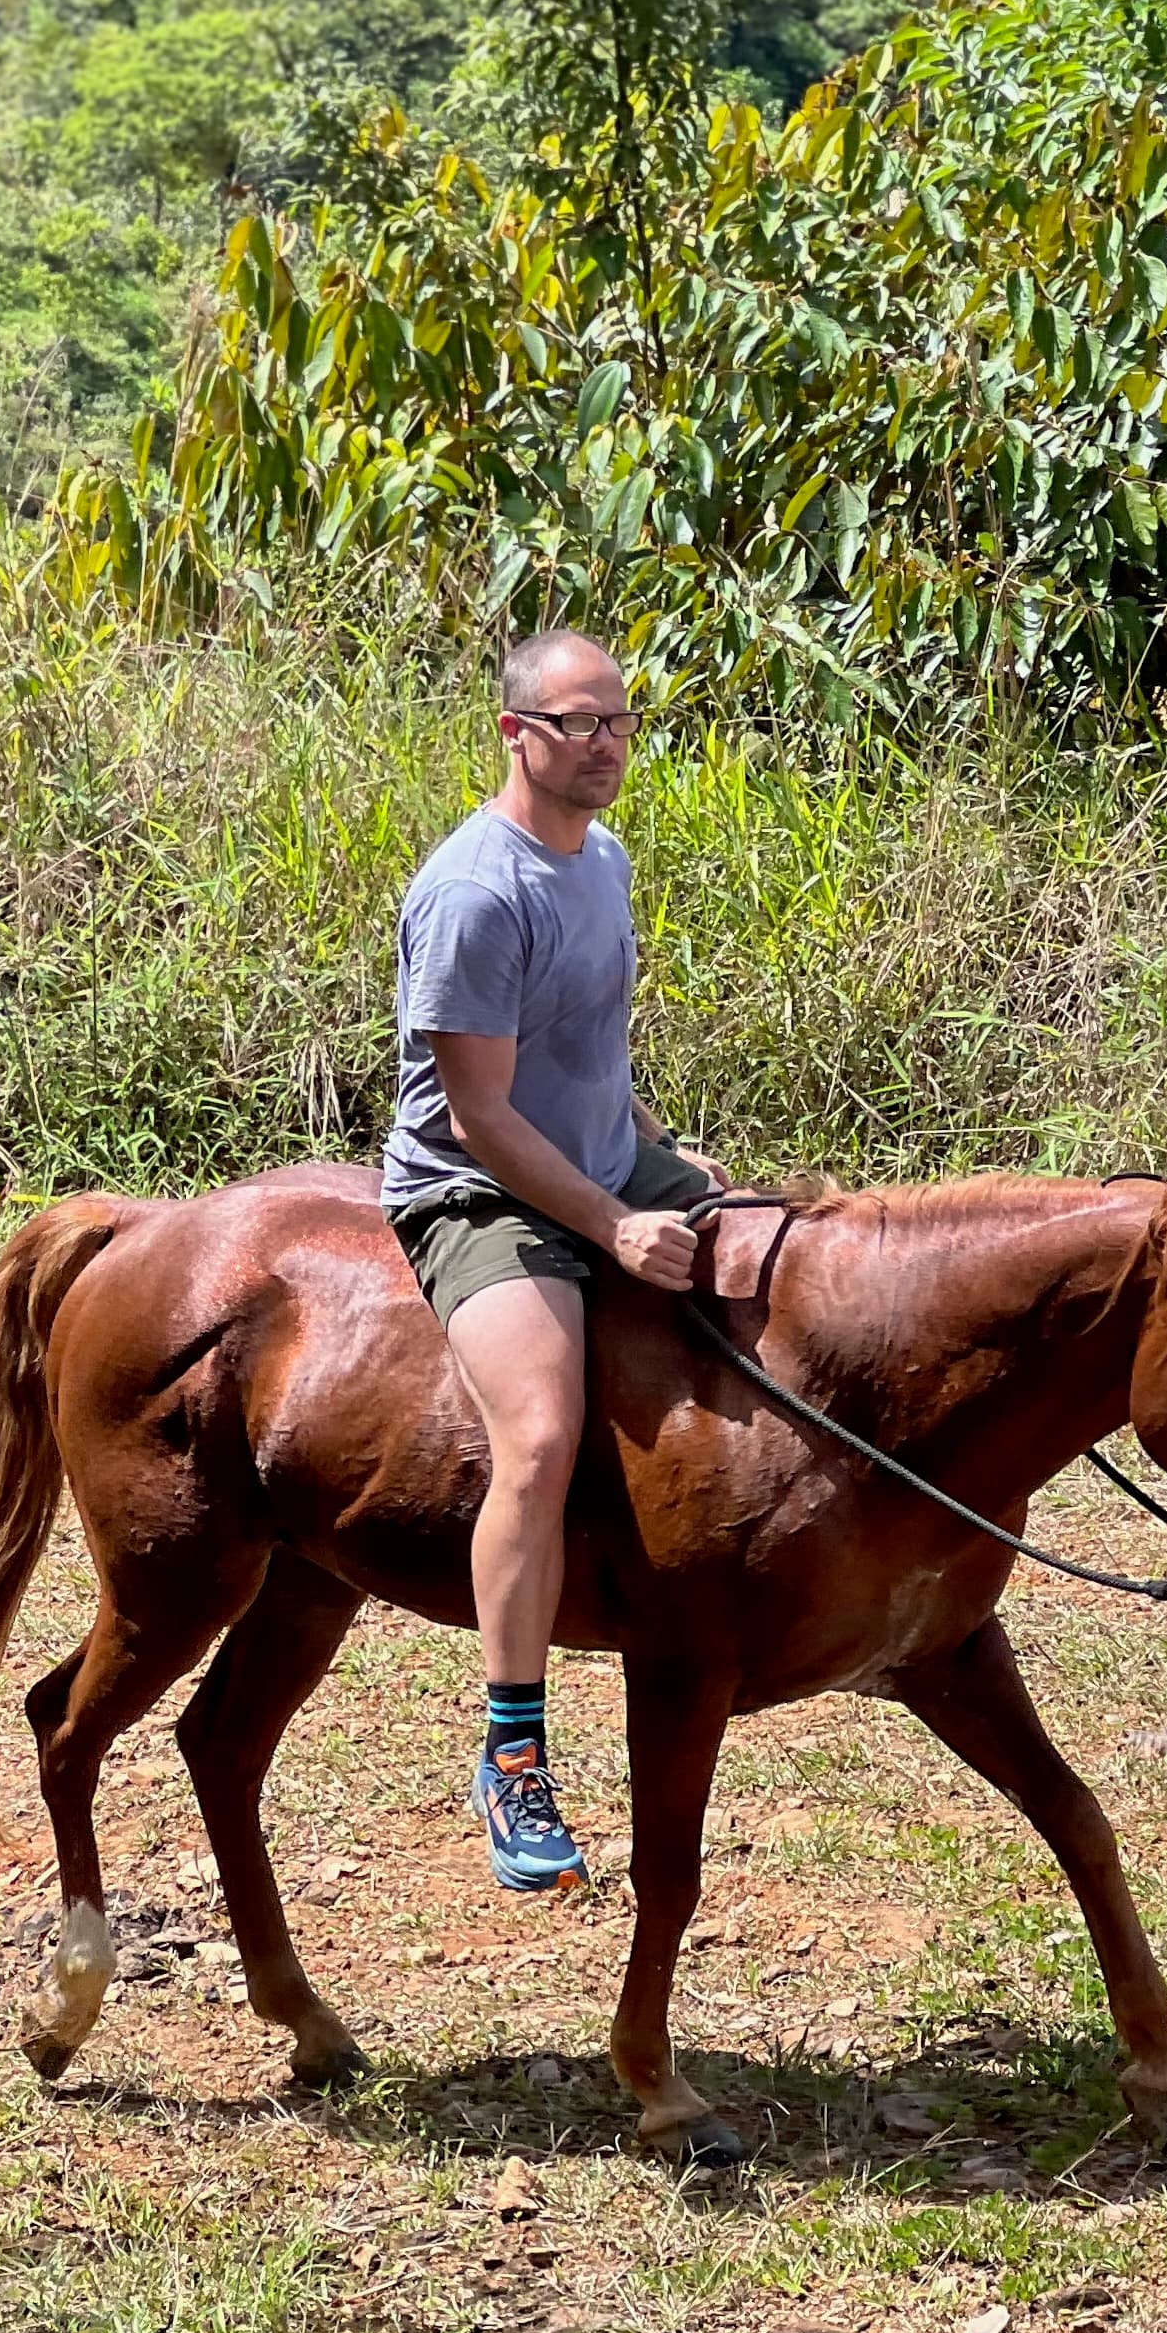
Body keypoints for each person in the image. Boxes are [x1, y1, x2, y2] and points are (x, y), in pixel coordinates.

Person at [380, 628, 723, 1893]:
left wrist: (672, 1170)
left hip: (602, 1155)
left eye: (618, 721)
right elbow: (480, 1115)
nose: (604, 744)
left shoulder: (606, 859)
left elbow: (592, 1057)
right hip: (482, 1191)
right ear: (516, 735)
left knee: (786, 1258)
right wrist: (614, 1224)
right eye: (576, 724)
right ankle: (512, 1750)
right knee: (537, 1434)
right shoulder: (478, 891)